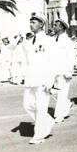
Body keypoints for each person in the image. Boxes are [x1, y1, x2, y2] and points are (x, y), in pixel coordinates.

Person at [23, 14, 55, 144]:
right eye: (30, 22)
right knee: (28, 105)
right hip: (31, 79)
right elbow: (27, 62)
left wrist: (50, 81)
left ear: (41, 24)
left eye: (34, 22)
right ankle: (47, 122)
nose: (31, 24)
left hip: (43, 80)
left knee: (41, 108)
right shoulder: (29, 42)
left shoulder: (49, 41)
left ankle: (39, 135)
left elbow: (52, 62)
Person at [52, 19, 75, 123]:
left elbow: (71, 57)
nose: (54, 27)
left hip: (63, 71)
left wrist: (69, 71)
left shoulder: (67, 41)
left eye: (55, 25)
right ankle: (66, 103)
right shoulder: (53, 40)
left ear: (61, 27)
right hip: (54, 71)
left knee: (62, 93)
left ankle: (59, 115)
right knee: (54, 92)